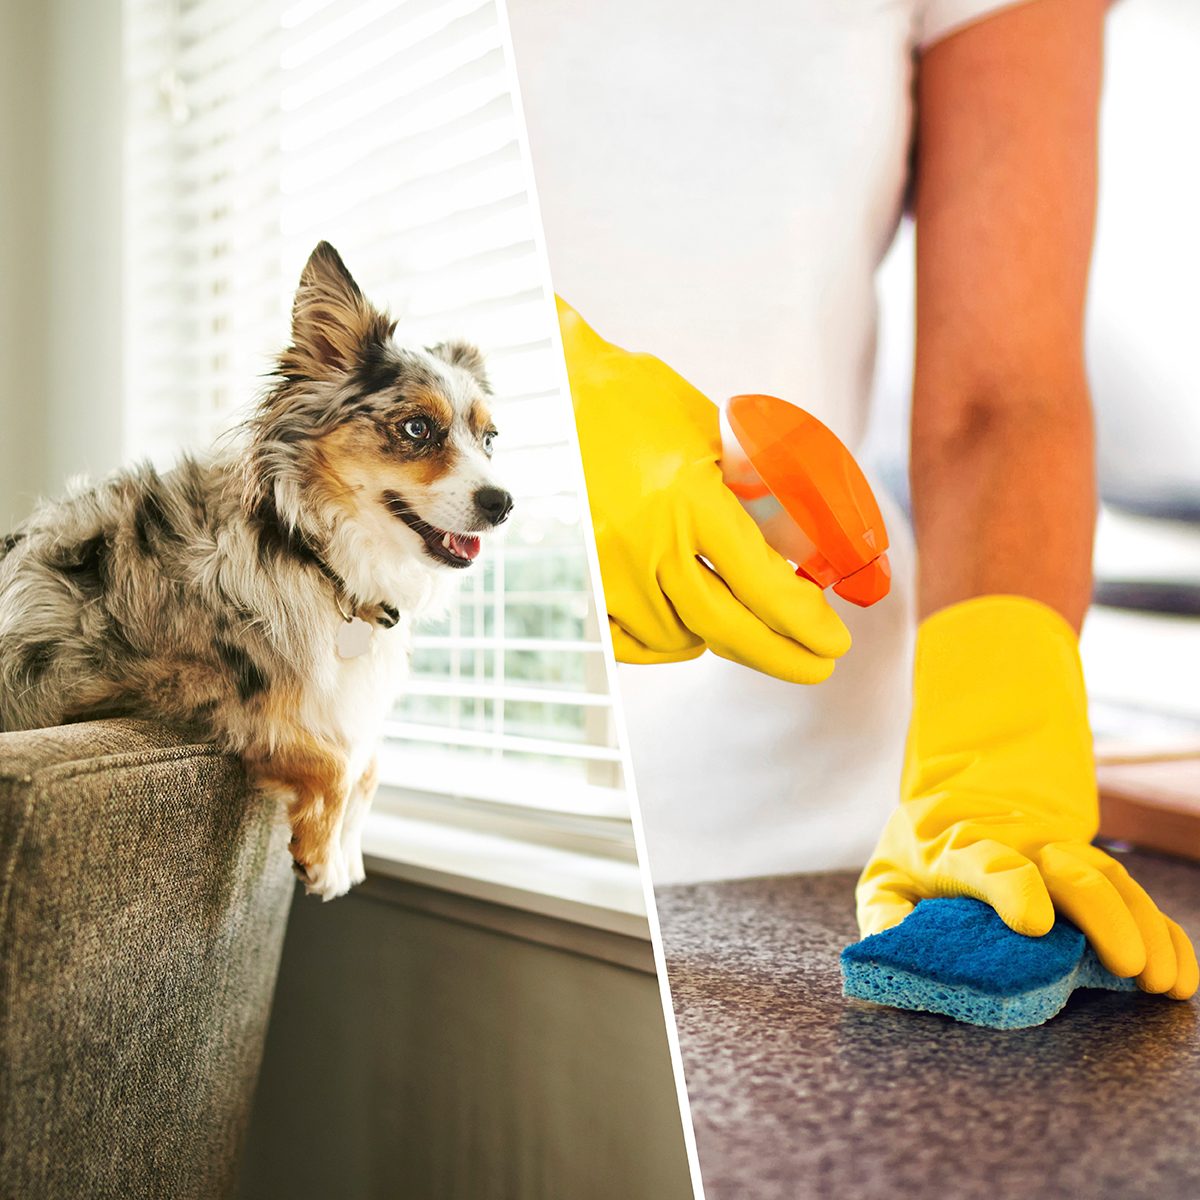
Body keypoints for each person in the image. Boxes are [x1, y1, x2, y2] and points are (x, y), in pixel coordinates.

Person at [508, 0, 1198, 998]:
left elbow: (1002, 397)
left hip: (796, 818)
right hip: (472, 761)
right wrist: (535, 390)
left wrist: (991, 756)